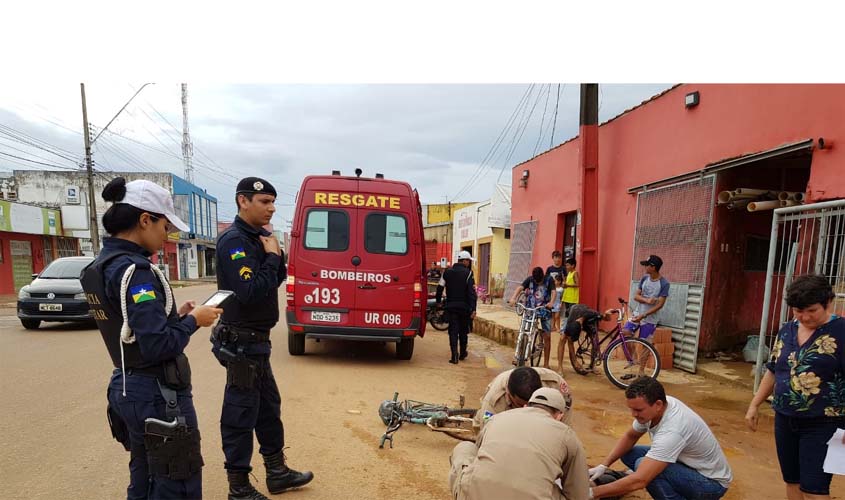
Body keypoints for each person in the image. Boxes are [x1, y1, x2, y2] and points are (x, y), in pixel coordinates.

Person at [81, 177, 222, 499]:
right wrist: (193, 322)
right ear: (145, 220)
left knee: (145, 477)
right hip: (157, 393)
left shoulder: (99, 266)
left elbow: (128, 325)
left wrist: (176, 315)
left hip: (128, 384)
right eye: (164, 225)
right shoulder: (136, 270)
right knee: (177, 482)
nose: (168, 234)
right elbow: (157, 345)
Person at [213, 177, 313, 500]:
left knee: (269, 408)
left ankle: (277, 472)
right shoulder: (234, 241)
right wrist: (271, 258)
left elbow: (277, 279)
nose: (271, 208)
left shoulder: (260, 237)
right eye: (264, 202)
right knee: (240, 414)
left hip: (258, 342)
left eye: (273, 202)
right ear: (243, 201)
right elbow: (251, 291)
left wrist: (275, 254)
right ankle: (239, 488)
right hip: (241, 342)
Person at [745, 274, 845, 500]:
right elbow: (774, 369)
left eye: (811, 310)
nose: (804, 317)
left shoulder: (841, 332)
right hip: (785, 419)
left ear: (828, 302)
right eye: (798, 311)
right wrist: (754, 405)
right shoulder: (788, 329)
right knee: (792, 481)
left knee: (814, 489)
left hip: (824, 423)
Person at [589, 377, 732, 500]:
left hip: (710, 484)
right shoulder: (662, 404)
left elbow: (640, 481)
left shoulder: (673, 429)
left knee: (642, 466)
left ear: (658, 405)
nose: (633, 414)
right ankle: (623, 478)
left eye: (638, 410)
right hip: (687, 464)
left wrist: (590, 493)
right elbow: (630, 435)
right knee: (629, 453)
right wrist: (604, 465)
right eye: (631, 409)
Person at [449, 387, 589, 500]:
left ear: (526, 406)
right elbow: (578, 494)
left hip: (475, 495)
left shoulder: (497, 418)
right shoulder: (568, 435)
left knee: (465, 448)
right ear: (559, 415)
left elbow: (479, 452)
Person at [472, 366, 573, 433]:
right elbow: (487, 437)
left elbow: (565, 428)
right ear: (508, 392)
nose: (526, 409)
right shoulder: (494, 401)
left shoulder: (555, 384)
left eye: (531, 405)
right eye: (520, 405)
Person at [624, 255, 670, 377]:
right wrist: (647, 300)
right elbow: (636, 296)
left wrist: (644, 315)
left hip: (650, 319)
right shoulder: (644, 278)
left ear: (653, 267)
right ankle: (633, 359)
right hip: (637, 313)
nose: (645, 267)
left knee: (645, 344)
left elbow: (660, 305)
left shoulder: (664, 284)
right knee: (626, 332)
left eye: (647, 265)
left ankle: (641, 371)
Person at [436, 250, 478, 364]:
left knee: (453, 331)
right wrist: (474, 308)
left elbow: (439, 288)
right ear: (464, 261)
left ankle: (454, 355)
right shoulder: (468, 273)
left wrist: (438, 302)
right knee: (463, 331)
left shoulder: (447, 272)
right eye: (468, 261)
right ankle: (463, 353)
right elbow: (471, 293)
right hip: (464, 308)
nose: (469, 263)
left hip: (451, 307)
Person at [508, 266, 553, 368]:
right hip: (530, 309)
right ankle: (518, 356)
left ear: (543, 276)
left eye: (539, 281)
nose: (537, 282)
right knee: (523, 330)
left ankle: (546, 364)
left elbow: (554, 292)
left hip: (544, 309)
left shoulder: (549, 280)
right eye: (536, 281)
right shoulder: (530, 279)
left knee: (547, 336)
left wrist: (551, 302)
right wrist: (513, 298)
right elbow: (520, 288)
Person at [561, 304, 613, 375]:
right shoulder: (570, 321)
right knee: (563, 339)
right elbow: (570, 343)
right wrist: (575, 362)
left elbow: (607, 319)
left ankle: (592, 365)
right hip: (572, 316)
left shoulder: (592, 313)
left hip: (587, 320)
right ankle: (560, 367)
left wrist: (607, 314)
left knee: (595, 342)